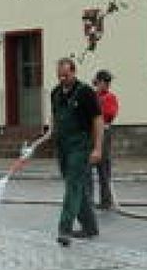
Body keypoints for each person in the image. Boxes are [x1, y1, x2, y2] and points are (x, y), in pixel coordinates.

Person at [29, 57, 103, 246]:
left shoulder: (85, 92)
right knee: (76, 187)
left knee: (72, 186)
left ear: (74, 72)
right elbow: (54, 124)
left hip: (80, 146)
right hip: (62, 146)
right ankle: (90, 227)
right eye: (59, 75)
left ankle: (65, 229)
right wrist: (38, 143)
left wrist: (97, 148)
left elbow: (98, 120)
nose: (62, 78)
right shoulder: (55, 93)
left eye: (66, 75)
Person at [92, 70, 119, 209]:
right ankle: (87, 199)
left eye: (109, 82)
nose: (108, 84)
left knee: (103, 167)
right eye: (105, 81)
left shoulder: (110, 97)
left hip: (104, 132)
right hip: (90, 134)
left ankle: (106, 200)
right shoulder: (92, 95)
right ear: (98, 82)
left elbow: (110, 114)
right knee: (86, 169)